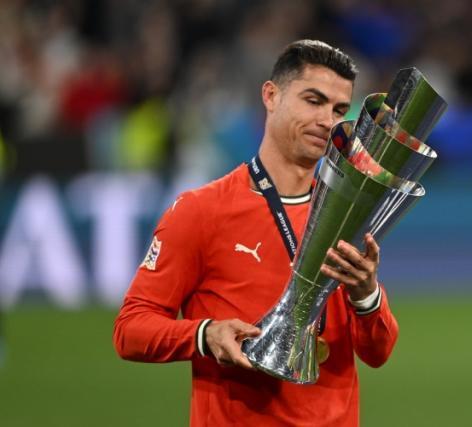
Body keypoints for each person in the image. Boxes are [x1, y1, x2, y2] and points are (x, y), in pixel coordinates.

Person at [113, 39, 399, 427]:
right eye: (313, 101)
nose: (327, 121)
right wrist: (205, 334)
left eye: (338, 110)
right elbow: (130, 329)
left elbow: (378, 353)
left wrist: (367, 296)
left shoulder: (345, 216)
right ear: (271, 96)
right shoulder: (201, 211)